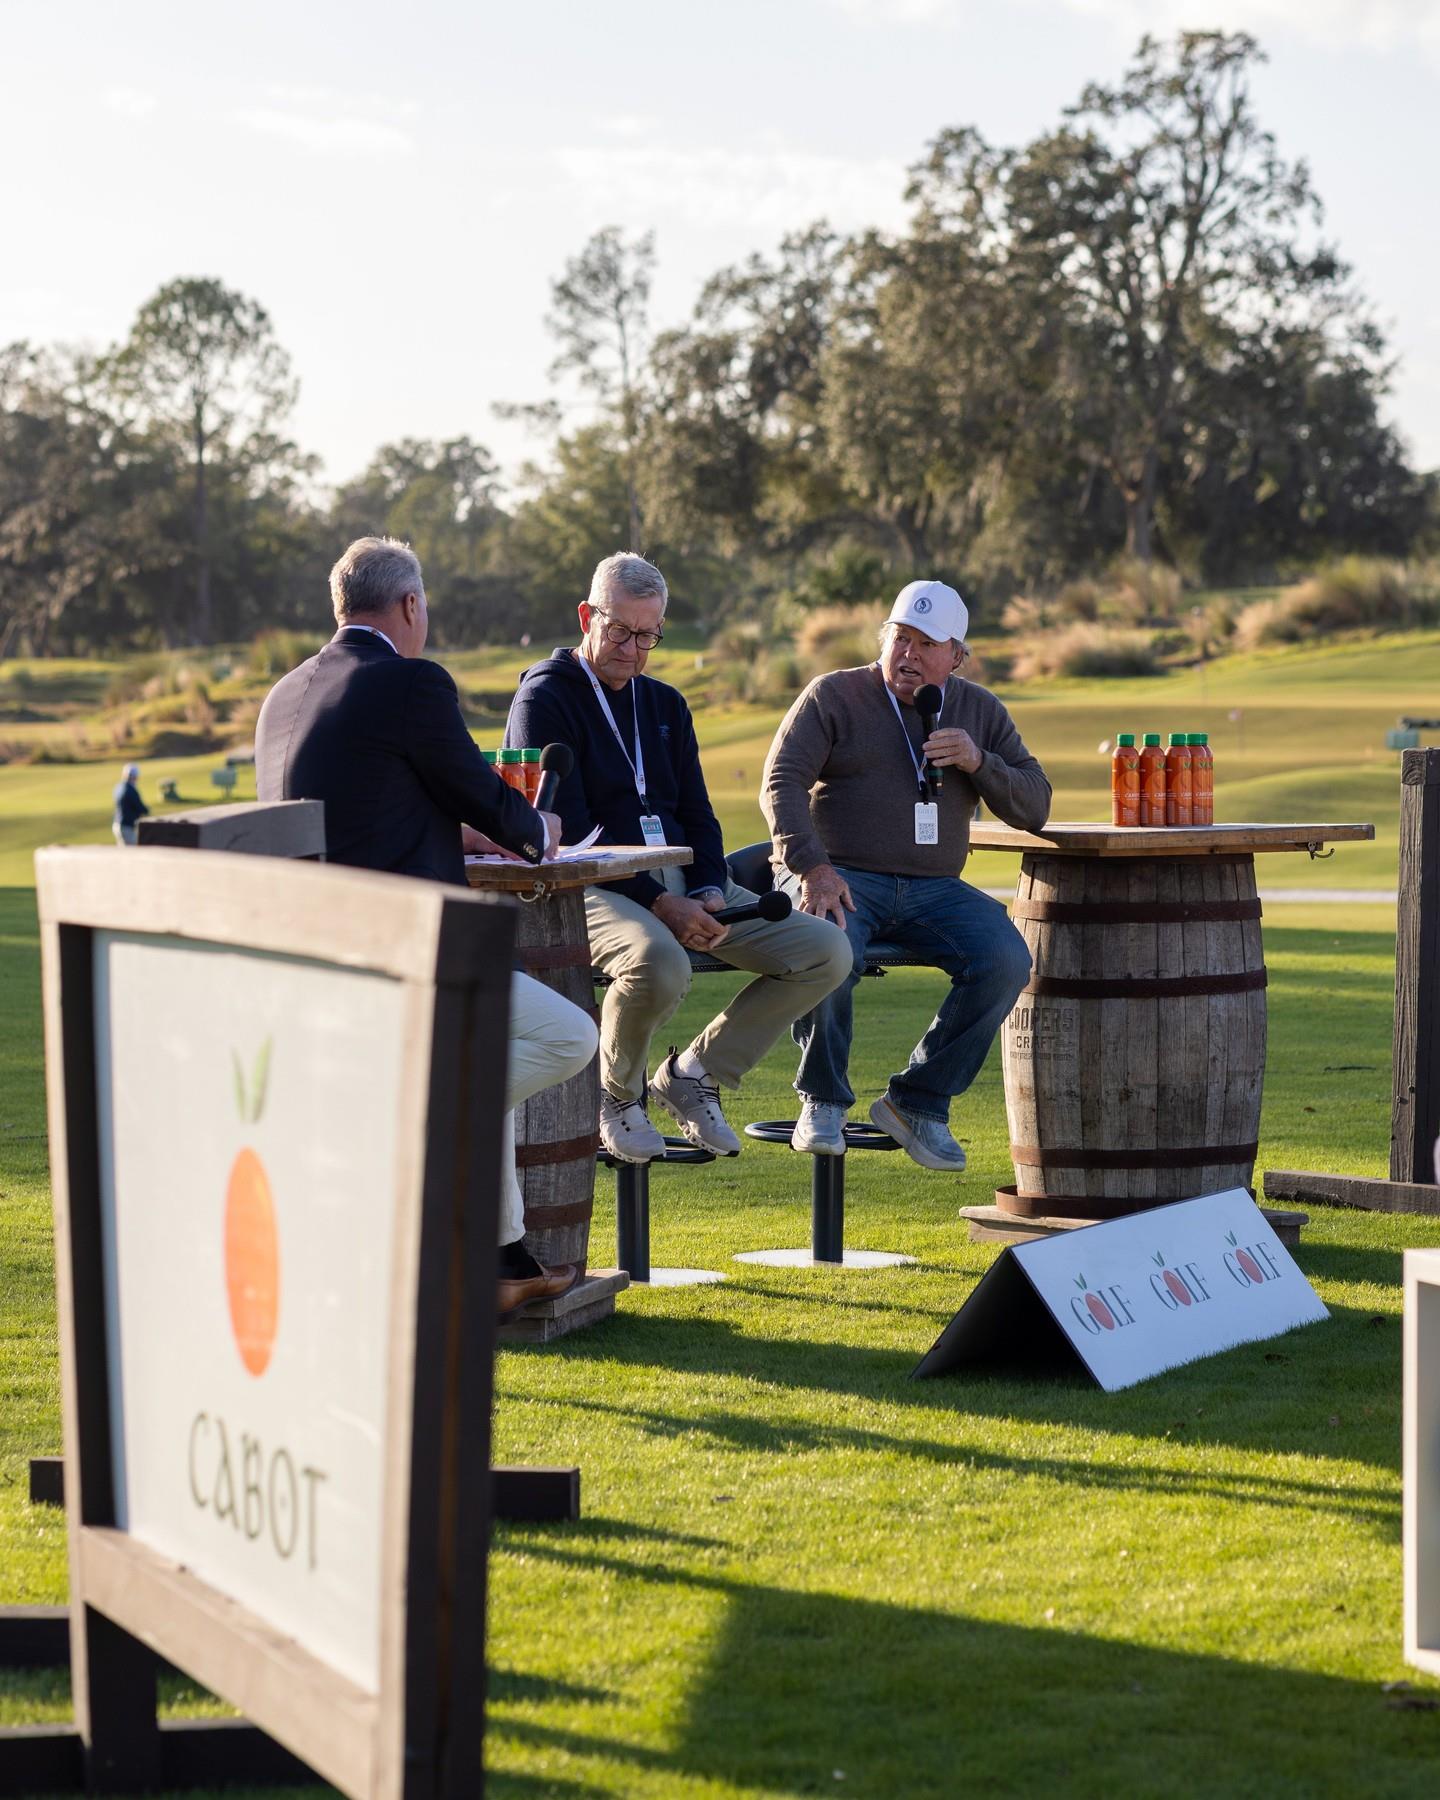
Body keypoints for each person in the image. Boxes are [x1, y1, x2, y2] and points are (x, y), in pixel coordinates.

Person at [255, 535, 597, 1317]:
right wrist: (536, 829)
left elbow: (370, 807)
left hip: (309, 956)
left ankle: (503, 1258)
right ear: (410, 605)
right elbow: (484, 795)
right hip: (404, 957)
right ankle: (404, 1123)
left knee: (478, 1062)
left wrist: (459, 830)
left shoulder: (285, 695)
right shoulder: (409, 684)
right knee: (566, 1038)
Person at [505, 552, 851, 1164]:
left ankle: (694, 1074)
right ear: (588, 615)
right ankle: (616, 1095)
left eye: (648, 636)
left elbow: (698, 812)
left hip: (679, 881)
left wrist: (710, 889)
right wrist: (663, 904)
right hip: (590, 882)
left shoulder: (664, 704)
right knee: (659, 961)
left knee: (826, 952)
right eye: (620, 631)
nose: (633, 649)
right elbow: (573, 828)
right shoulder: (545, 695)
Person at [761, 579, 1051, 1171]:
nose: (909, 653)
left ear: (957, 656)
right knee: (828, 942)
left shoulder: (980, 710)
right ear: (883, 637)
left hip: (934, 889)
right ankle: (823, 1098)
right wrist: (811, 868)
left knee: (1006, 959)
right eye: (900, 637)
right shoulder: (834, 695)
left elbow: (1035, 804)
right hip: (839, 875)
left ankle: (918, 1102)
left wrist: (978, 761)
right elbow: (780, 782)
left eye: (926, 643)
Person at [112, 763, 148, 845]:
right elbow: (140, 807)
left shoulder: (119, 786)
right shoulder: (130, 790)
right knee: (131, 852)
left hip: (117, 824)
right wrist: (146, 810)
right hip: (126, 826)